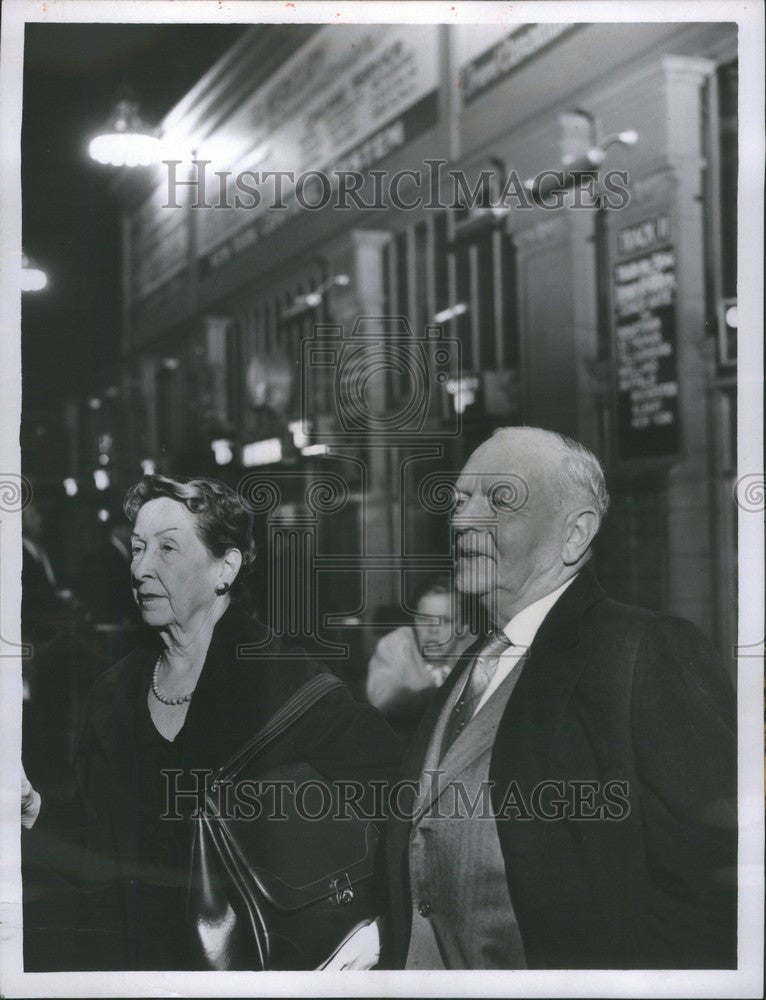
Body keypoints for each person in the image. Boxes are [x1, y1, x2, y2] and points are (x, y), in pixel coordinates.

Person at [384, 427, 736, 970]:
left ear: (575, 535)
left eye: (499, 499)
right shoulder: (474, 660)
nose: (461, 521)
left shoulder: (645, 652)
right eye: (458, 500)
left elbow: (714, 890)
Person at [69, 474, 401, 970]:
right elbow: (92, 844)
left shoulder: (288, 686)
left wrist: (376, 935)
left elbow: (405, 800)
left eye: (167, 550)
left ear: (225, 567)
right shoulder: (110, 696)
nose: (140, 568)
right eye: (137, 548)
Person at [366, 577, 472, 738]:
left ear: (462, 627)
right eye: (424, 619)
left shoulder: (476, 648)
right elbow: (382, 700)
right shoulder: (395, 645)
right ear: (414, 621)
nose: (433, 630)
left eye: (445, 620)